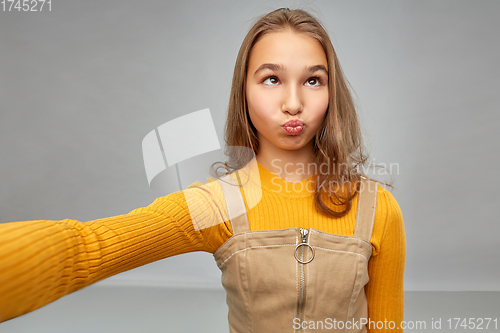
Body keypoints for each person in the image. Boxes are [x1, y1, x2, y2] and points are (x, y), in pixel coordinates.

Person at [0, 7, 405, 332]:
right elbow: (90, 247)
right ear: (243, 92)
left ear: (332, 92)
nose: (293, 103)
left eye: (314, 81)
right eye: (271, 79)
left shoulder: (376, 207)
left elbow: (387, 327)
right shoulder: (218, 204)